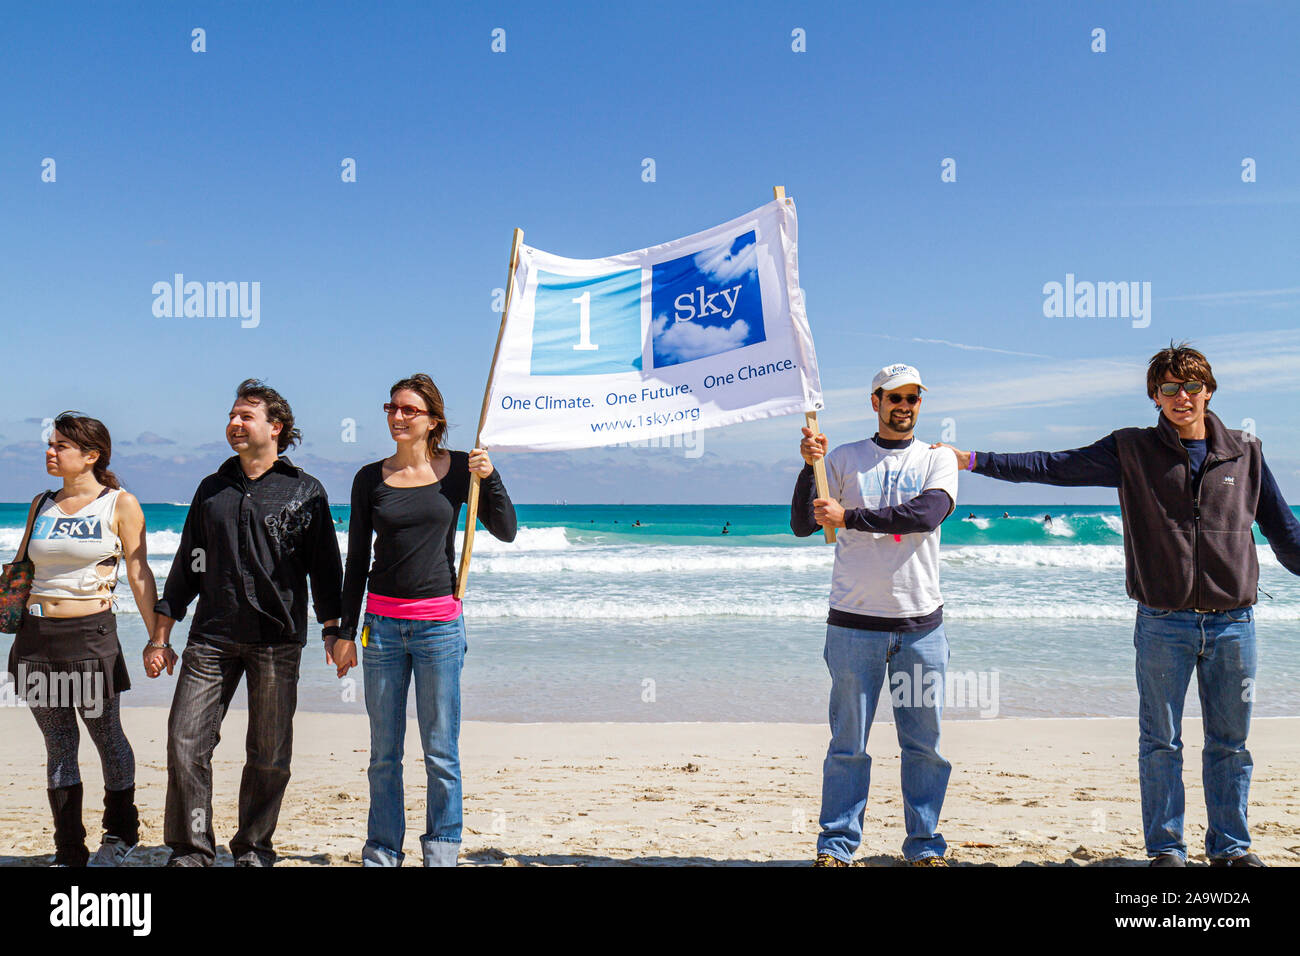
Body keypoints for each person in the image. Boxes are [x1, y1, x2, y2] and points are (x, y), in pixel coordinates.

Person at [933, 343, 1300, 867]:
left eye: (1191, 387)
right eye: (1169, 389)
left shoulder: (1246, 451)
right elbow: (1052, 467)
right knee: (1161, 744)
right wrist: (972, 460)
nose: (1182, 397)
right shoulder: (1132, 450)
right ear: (1155, 396)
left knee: (1231, 744)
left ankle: (1231, 849)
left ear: (1209, 390)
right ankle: (1167, 850)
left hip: (1234, 625)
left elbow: (1284, 531)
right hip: (1162, 623)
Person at [148, 380, 343, 867]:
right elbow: (188, 563)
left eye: (245, 416)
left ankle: (253, 846)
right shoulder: (211, 489)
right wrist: (161, 634)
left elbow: (326, 569)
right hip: (210, 638)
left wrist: (334, 630)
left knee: (269, 753)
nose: (235, 423)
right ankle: (192, 849)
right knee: (185, 741)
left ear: (275, 427)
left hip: (277, 641)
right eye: (232, 415)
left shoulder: (306, 491)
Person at [333, 374, 517, 867]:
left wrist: (490, 477)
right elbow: (356, 561)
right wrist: (343, 632)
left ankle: (441, 852)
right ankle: (382, 852)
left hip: (439, 627)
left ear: (433, 420)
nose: (396, 416)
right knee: (383, 755)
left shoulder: (459, 470)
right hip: (382, 629)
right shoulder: (369, 478)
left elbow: (506, 530)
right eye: (391, 407)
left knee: (440, 752)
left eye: (408, 410)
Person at [792, 364, 959, 866]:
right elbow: (803, 524)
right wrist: (809, 468)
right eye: (894, 398)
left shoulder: (937, 458)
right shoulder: (842, 458)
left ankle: (925, 847)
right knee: (848, 745)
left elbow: (924, 516)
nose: (904, 406)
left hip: (919, 627)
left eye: (913, 398)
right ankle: (837, 848)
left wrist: (851, 518)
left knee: (923, 746)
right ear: (875, 402)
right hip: (853, 624)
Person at [6, 413, 156, 867]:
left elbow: (138, 571)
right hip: (38, 638)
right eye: (50, 444)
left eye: (60, 446)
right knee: (58, 744)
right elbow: (19, 569)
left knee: (106, 735)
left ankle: (120, 833)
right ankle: (69, 848)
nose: (50, 452)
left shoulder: (119, 504)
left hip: (90, 638)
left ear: (91, 455)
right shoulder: (41, 503)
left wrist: (157, 639)